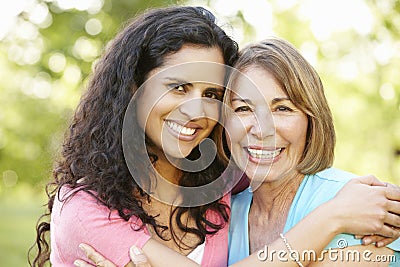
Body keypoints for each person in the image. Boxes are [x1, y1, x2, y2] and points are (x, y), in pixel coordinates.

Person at [29, 6, 400, 267]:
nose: (197, 111)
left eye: (212, 95)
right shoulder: (83, 208)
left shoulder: (222, 190)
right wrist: (331, 218)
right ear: (132, 89)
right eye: (178, 87)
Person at [225, 37, 400, 266]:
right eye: (243, 108)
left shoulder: (363, 204)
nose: (261, 129)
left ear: (311, 121)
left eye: (282, 108)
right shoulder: (224, 216)